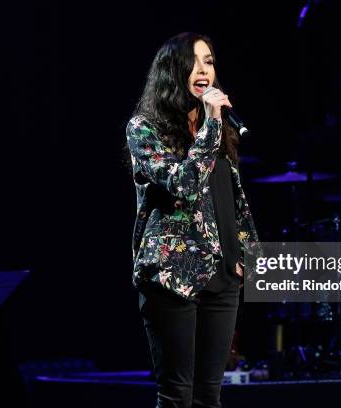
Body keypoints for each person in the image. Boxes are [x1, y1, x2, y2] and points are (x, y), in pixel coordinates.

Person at [125, 32, 260, 407]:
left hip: (222, 273)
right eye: (194, 62)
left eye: (210, 61)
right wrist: (212, 125)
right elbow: (183, 185)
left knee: (209, 395)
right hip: (172, 273)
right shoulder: (144, 128)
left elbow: (232, 198)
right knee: (177, 394)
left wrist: (246, 255)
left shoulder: (217, 126)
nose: (204, 70)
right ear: (173, 71)